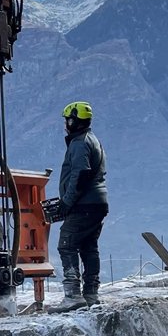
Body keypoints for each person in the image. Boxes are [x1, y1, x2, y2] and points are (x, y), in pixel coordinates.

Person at [54, 100, 108, 310]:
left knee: (66, 244)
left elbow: (81, 174)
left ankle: (73, 295)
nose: (65, 125)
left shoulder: (79, 143)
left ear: (73, 121)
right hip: (98, 203)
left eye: (67, 120)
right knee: (89, 247)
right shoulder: (94, 140)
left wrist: (66, 202)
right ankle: (91, 294)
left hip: (84, 204)